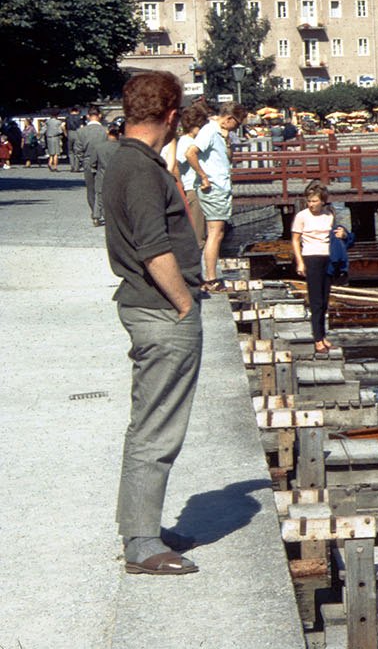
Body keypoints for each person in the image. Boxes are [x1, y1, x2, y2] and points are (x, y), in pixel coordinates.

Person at [99, 70, 203, 576]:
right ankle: (141, 541)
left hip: (148, 307)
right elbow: (152, 246)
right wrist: (185, 304)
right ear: (170, 115)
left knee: (151, 421)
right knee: (157, 428)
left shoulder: (125, 160)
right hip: (161, 310)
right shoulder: (140, 169)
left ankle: (144, 527)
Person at [187, 102, 246, 291]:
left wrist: (227, 140)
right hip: (214, 189)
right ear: (229, 119)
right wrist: (203, 176)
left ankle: (207, 277)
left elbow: (227, 159)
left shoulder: (220, 133)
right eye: (236, 125)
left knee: (215, 233)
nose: (237, 128)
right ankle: (211, 279)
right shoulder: (210, 131)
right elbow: (191, 153)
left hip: (220, 187)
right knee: (215, 233)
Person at [291, 182, 349, 354]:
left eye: (315, 201)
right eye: (309, 201)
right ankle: (317, 339)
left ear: (323, 201)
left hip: (327, 258)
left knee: (324, 299)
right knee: (315, 301)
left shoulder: (329, 215)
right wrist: (300, 262)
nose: (311, 204)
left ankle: (323, 336)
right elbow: (295, 240)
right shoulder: (302, 216)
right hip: (311, 258)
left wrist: (343, 235)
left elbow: (336, 235)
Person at [174, 100, 213, 247]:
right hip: (191, 189)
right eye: (200, 126)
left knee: (200, 228)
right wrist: (181, 187)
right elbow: (174, 166)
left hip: (194, 188)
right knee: (198, 232)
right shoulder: (186, 141)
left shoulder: (191, 140)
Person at [73, 105, 109, 225]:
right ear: (100, 116)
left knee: (91, 190)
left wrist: (81, 162)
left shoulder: (81, 132)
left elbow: (78, 149)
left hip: (88, 162)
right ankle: (101, 211)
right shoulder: (105, 131)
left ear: (88, 116)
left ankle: (95, 214)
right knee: (103, 188)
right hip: (103, 162)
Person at [65, 104, 84, 171]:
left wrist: (66, 133)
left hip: (70, 132)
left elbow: (63, 126)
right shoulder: (79, 118)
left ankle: (72, 166)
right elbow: (81, 126)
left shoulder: (67, 118)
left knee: (70, 151)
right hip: (77, 133)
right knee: (77, 150)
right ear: (77, 111)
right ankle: (77, 167)